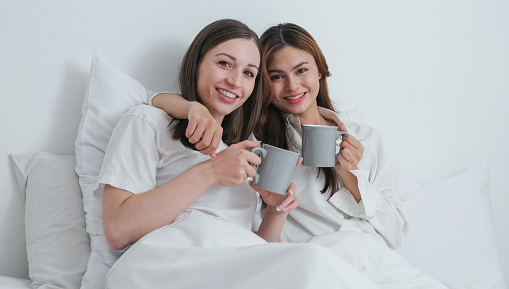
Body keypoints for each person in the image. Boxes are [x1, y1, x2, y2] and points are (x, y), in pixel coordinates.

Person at [152, 23, 450, 288]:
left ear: (320, 70)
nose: (292, 86)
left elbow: (396, 232)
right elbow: (153, 100)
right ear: (263, 87)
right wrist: (195, 109)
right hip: (316, 265)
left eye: (302, 70)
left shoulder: (365, 137)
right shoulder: (256, 140)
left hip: (377, 263)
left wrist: (350, 175)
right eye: (276, 77)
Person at [95, 19, 380, 289]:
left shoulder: (245, 149)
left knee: (343, 253)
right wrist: (209, 171)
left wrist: (275, 210)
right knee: (313, 261)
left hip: (229, 266)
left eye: (248, 73)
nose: (235, 81)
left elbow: (256, 252)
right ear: (196, 64)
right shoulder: (148, 121)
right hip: (166, 262)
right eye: (224, 64)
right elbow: (119, 230)